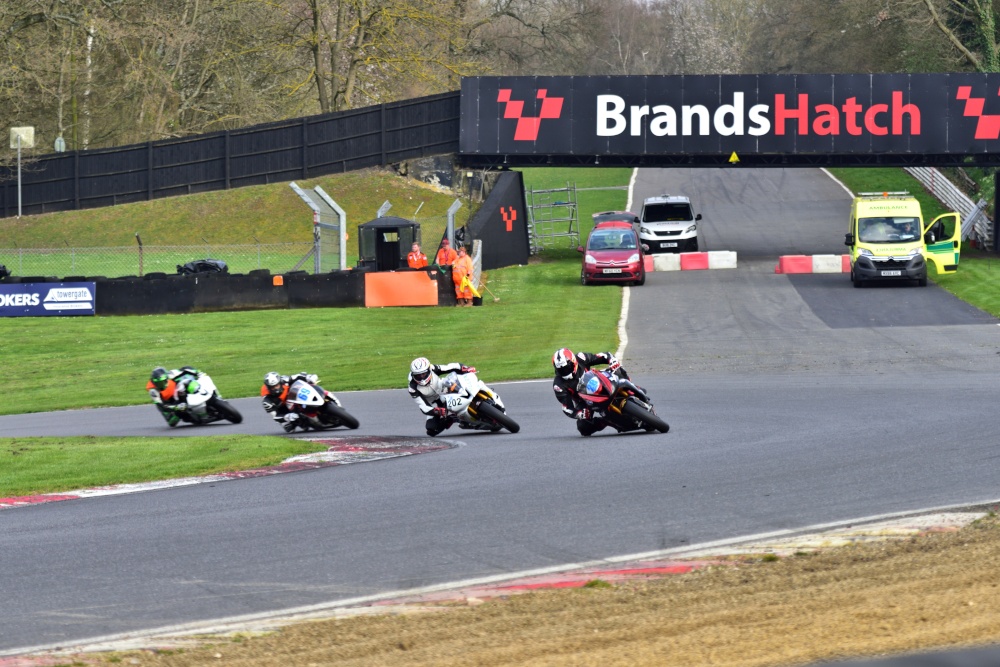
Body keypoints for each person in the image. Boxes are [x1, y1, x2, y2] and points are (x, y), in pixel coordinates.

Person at [551, 348, 627, 436]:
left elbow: (603, 356)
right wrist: (579, 414)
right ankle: (607, 421)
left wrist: (612, 361)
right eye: (561, 370)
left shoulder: (581, 358)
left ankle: (631, 388)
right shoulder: (558, 385)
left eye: (567, 367)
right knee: (583, 428)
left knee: (617, 369)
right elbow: (567, 408)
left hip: (598, 381)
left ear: (574, 362)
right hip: (584, 401)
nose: (565, 371)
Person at [408, 357, 478, 436]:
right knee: (431, 430)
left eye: (423, 374)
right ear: (413, 375)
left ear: (428, 370)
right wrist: (436, 411)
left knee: (462, 385)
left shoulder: (433, 368)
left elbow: (450, 367)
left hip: (445, 389)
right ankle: (452, 418)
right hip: (434, 404)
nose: (421, 377)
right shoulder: (412, 388)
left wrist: (465, 368)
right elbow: (423, 406)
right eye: (418, 375)